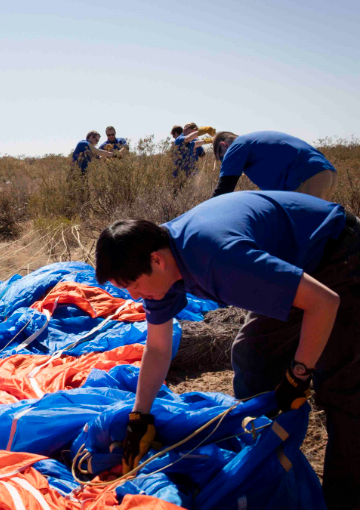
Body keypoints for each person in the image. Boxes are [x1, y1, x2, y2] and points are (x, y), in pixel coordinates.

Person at [94, 191, 359, 508]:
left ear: (157, 261)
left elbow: (324, 302)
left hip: (337, 254)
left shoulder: (218, 257)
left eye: (133, 286)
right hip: (294, 266)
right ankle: (268, 460)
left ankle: (345, 499)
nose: (135, 296)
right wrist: (140, 416)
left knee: (343, 389)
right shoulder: (157, 262)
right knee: (253, 358)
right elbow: (159, 347)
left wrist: (300, 373)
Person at [212, 130, 337, 200]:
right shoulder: (252, 142)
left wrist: (202, 212)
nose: (225, 161)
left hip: (306, 177)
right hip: (327, 173)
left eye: (222, 158)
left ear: (223, 145)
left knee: (300, 232)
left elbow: (224, 189)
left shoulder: (236, 146)